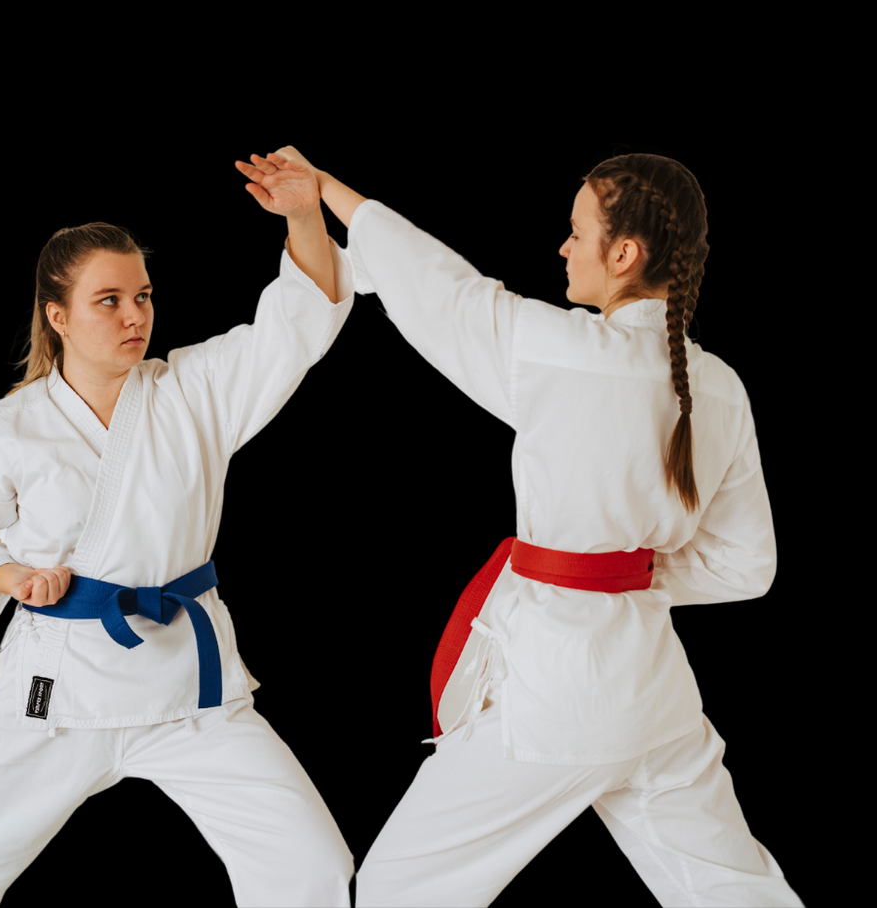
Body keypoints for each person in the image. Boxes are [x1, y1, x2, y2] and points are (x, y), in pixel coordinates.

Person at [243, 150, 800, 906]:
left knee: (398, 891)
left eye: (576, 233)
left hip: (557, 696)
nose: (562, 248)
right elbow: (744, 566)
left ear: (624, 254)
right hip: (655, 694)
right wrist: (623, 573)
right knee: (732, 890)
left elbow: (442, 293)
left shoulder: (559, 351)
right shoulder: (721, 386)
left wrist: (328, 193)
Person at [0, 147, 356, 907]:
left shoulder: (194, 390)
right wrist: (12, 577)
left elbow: (297, 328)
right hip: (57, 691)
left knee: (309, 869)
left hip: (191, 691)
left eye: (143, 295)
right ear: (57, 315)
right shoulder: (9, 430)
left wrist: (302, 212)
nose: (135, 315)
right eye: (109, 300)